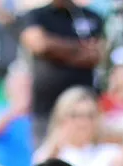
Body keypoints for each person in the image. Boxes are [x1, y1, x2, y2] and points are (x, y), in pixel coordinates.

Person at [11, 0, 104, 143]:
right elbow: (39, 45)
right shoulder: (35, 16)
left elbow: (96, 54)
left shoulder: (92, 17)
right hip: (46, 111)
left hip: (84, 113)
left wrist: (53, 50)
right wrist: (79, 48)